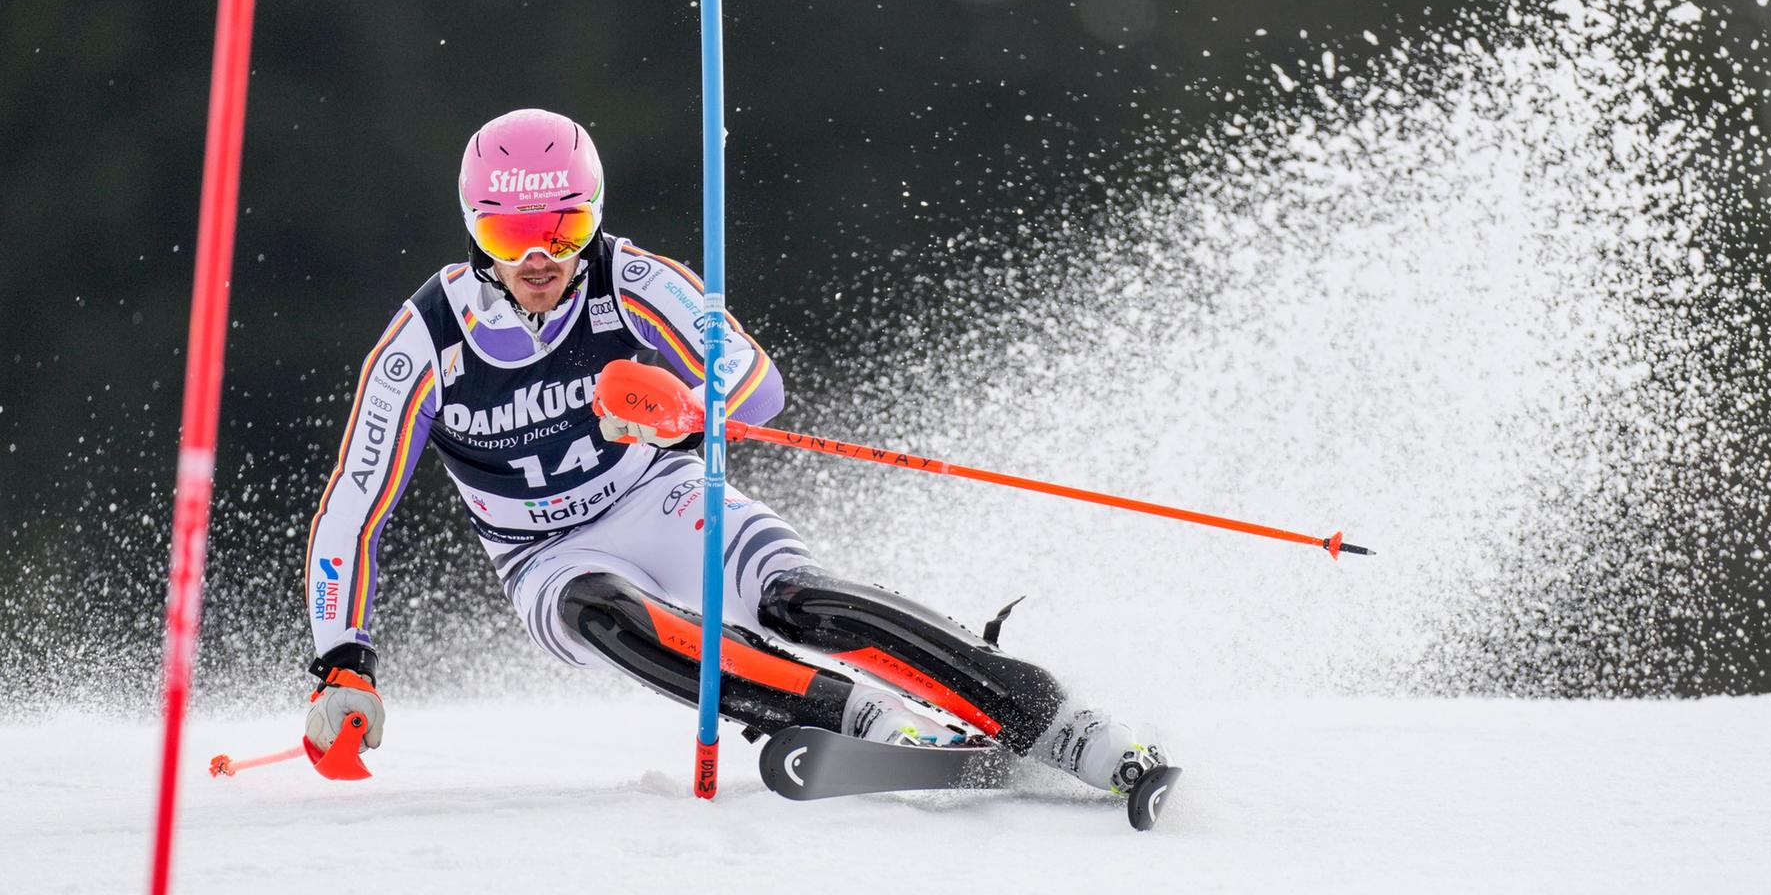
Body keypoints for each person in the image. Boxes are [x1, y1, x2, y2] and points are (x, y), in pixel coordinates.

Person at [302, 108, 1167, 795]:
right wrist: (344, 664)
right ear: (473, 232)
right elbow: (353, 507)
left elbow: (756, 382)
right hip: (543, 554)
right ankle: (855, 718)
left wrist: (689, 411)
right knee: (603, 615)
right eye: (508, 237)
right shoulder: (423, 342)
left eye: (564, 231)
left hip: (660, 496)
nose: (539, 260)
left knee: (799, 603)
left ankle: (1058, 723)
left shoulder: (628, 279)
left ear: (594, 219)